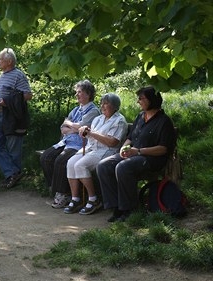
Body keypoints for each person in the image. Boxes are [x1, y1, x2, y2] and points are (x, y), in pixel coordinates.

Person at [97, 86, 176, 222]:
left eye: (141, 98)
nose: (138, 101)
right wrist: (123, 147)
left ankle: (129, 209)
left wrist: (138, 151)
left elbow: (163, 149)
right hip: (134, 153)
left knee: (123, 167)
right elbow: (131, 137)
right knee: (103, 165)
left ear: (152, 99)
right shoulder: (140, 116)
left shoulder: (164, 121)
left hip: (151, 158)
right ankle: (116, 207)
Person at [40, 80, 100, 209]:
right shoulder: (76, 110)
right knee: (46, 157)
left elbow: (81, 128)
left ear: (88, 94)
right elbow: (63, 128)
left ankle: (63, 194)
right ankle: (57, 190)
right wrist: (72, 127)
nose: (77, 95)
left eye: (80, 92)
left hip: (80, 145)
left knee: (61, 161)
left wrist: (70, 124)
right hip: (66, 141)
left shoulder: (93, 111)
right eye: (76, 92)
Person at [64, 93, 128, 215]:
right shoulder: (98, 119)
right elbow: (90, 137)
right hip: (91, 149)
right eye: (102, 103)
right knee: (71, 163)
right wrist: (84, 133)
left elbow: (112, 142)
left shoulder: (119, 121)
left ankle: (94, 199)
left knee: (80, 165)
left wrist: (91, 133)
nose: (102, 106)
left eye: (106, 103)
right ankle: (75, 199)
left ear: (114, 106)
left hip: (107, 151)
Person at [0, 48, 33, 189]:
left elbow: (28, 95)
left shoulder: (18, 75)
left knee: (14, 148)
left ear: (9, 61)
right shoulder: (2, 75)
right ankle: (13, 173)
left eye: (0, 59)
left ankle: (13, 177)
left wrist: (8, 101)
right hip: (1, 115)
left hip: (12, 116)